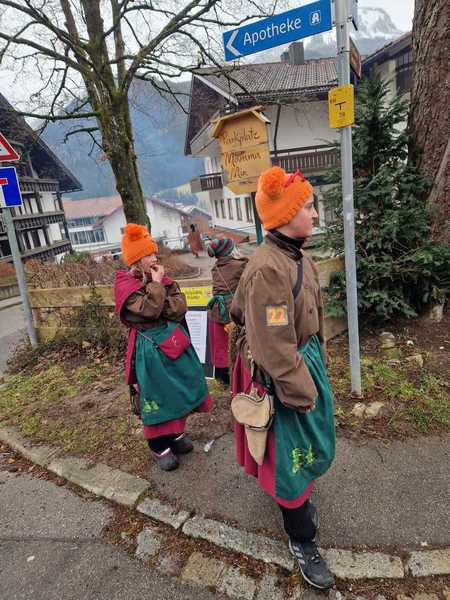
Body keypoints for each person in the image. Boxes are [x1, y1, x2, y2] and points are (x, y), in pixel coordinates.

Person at [230, 166, 336, 590]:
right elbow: (274, 347)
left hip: (303, 363)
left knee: (305, 445)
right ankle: (302, 540)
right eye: (308, 206)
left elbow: (314, 319)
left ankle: (298, 505)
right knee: (289, 457)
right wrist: (303, 392)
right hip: (283, 375)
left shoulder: (300, 257)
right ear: (287, 215)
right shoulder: (268, 270)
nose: (315, 213)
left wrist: (318, 365)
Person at [114, 223, 213, 472]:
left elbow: (179, 307)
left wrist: (158, 295)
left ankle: (176, 434)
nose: (154, 258)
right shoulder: (126, 285)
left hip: (173, 345)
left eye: (154, 253)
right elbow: (148, 311)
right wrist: (157, 287)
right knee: (157, 394)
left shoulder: (164, 280)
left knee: (180, 389)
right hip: (149, 352)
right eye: (148, 255)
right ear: (136, 260)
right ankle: (158, 445)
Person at [206, 237, 248, 385]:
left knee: (221, 345)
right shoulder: (241, 265)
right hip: (234, 310)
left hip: (217, 311)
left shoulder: (215, 267)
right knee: (238, 342)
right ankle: (240, 376)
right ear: (231, 250)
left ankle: (223, 378)